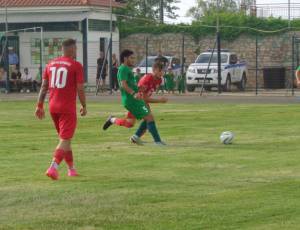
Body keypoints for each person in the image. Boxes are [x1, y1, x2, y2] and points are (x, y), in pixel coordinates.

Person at [35, 38, 87, 180]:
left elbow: (44, 86)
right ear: (71, 49)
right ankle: (53, 167)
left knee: (65, 140)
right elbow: (80, 88)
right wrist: (84, 105)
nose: (76, 51)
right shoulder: (76, 65)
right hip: (67, 108)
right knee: (65, 139)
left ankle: (71, 169)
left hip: (53, 107)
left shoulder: (50, 64)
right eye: (75, 49)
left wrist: (39, 105)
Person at [102, 50, 166, 145]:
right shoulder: (123, 69)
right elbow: (123, 85)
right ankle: (157, 142)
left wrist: (138, 88)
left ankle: (113, 120)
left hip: (135, 99)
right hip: (132, 100)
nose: (133, 60)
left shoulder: (127, 69)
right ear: (125, 58)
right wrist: (134, 93)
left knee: (130, 123)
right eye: (131, 58)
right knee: (149, 117)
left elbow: (131, 84)